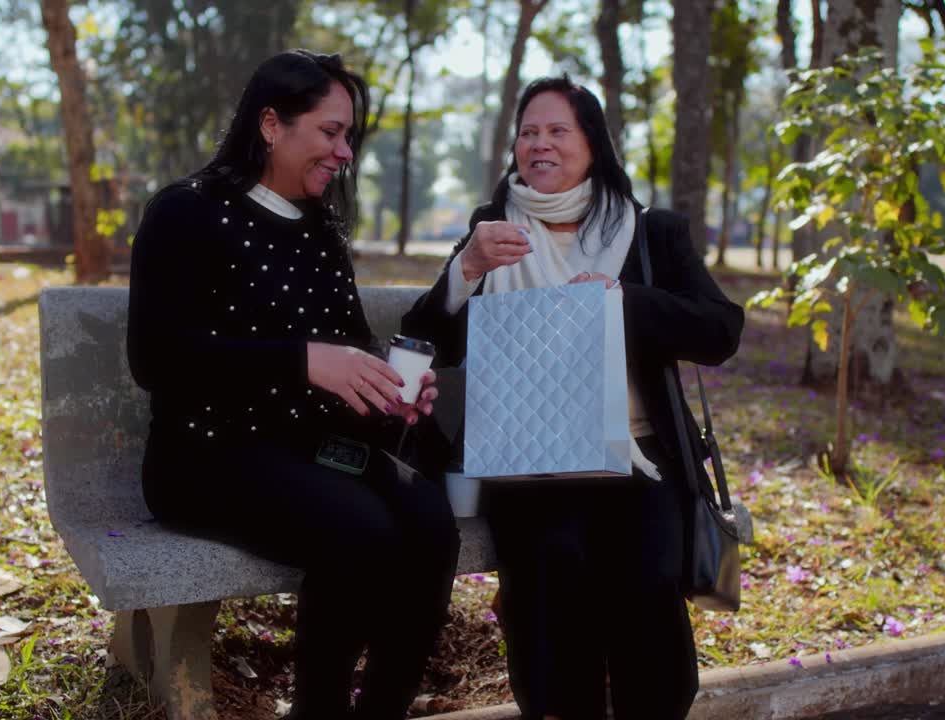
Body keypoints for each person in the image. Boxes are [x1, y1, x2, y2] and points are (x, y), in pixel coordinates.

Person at [127, 50, 460, 720]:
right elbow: (157, 357)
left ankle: (384, 707)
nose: (343, 152)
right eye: (330, 132)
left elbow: (348, 348)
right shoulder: (184, 213)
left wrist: (388, 389)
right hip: (206, 454)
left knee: (430, 518)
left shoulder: (319, 231)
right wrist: (301, 362)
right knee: (360, 530)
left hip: (310, 447)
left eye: (348, 138)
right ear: (272, 123)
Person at [402, 76, 744, 719]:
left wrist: (626, 304)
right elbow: (425, 336)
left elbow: (721, 332)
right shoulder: (492, 229)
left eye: (559, 130)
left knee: (646, 581)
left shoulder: (650, 234)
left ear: (593, 143)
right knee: (552, 572)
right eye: (529, 132)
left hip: (639, 457)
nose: (540, 144)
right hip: (527, 460)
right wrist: (467, 269)